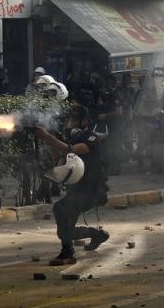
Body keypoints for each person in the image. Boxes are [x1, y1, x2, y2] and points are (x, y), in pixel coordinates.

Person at [34, 105, 110, 266]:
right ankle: (97, 234)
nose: (70, 122)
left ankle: (68, 253)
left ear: (84, 121)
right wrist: (52, 140)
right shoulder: (71, 138)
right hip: (76, 190)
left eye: (74, 119)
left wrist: (49, 137)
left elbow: (75, 150)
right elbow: (59, 161)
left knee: (61, 209)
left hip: (91, 190)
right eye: (69, 119)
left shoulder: (91, 137)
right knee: (65, 230)